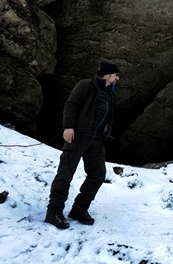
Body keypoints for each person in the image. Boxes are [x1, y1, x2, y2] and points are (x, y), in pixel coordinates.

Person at [45, 62, 120, 229]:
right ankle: (54, 212)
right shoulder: (86, 84)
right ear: (107, 75)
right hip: (78, 136)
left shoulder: (109, 92)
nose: (117, 78)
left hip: (96, 140)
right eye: (115, 75)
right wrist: (68, 127)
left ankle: (79, 210)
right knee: (65, 174)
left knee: (98, 174)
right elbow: (71, 104)